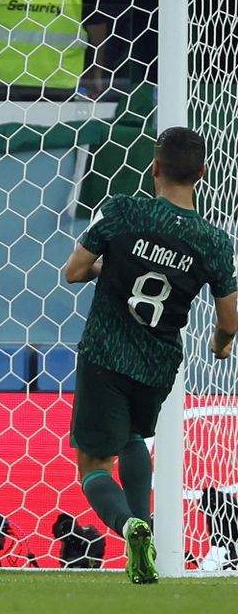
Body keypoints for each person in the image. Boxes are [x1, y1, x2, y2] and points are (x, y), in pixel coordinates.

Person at [64, 126, 237, 584]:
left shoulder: (122, 210)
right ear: (202, 172)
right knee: (134, 435)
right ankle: (145, 541)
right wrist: (220, 347)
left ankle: (129, 526)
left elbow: (74, 271)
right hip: (159, 362)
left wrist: (111, 265)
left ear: (154, 167)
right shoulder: (214, 241)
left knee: (94, 465)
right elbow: (230, 320)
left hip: (105, 352)